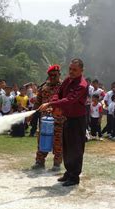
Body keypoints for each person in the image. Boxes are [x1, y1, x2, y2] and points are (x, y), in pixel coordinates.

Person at [39, 58, 88, 187]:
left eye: (74, 70)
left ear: (81, 71)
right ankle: (68, 171)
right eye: (70, 69)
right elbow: (58, 94)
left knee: (76, 148)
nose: (71, 72)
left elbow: (69, 100)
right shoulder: (67, 80)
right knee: (66, 146)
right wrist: (54, 105)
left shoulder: (81, 85)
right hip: (67, 118)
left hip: (78, 120)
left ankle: (74, 176)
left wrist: (50, 103)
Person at [32, 64, 63, 170]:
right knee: (42, 140)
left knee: (58, 141)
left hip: (59, 120)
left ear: (59, 74)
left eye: (55, 75)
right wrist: (32, 114)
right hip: (44, 120)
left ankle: (57, 164)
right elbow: (37, 102)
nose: (53, 77)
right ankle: (39, 162)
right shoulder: (44, 87)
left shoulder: (64, 87)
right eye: (50, 75)